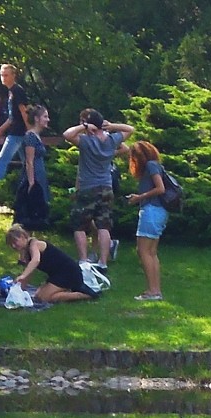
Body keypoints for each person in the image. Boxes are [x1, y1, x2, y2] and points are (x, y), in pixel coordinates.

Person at [62, 109, 134, 273]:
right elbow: (130, 130)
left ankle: (83, 261)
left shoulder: (87, 141)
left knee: (79, 226)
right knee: (104, 226)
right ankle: (103, 262)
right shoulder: (111, 140)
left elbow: (67, 134)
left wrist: (85, 126)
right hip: (106, 187)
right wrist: (111, 126)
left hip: (87, 187)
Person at [5, 224, 99, 303]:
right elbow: (30, 270)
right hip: (57, 275)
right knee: (38, 295)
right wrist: (21, 289)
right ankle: (66, 290)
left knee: (45, 298)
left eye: (15, 242)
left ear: (22, 237)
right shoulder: (25, 252)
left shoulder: (35, 244)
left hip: (69, 272)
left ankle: (84, 295)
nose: (13, 246)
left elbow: (36, 260)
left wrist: (23, 275)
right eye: (11, 244)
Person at [127, 141, 168, 301]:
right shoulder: (155, 165)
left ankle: (153, 290)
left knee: (143, 251)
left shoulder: (151, 166)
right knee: (151, 252)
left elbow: (160, 188)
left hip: (151, 210)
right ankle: (155, 289)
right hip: (157, 211)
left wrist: (139, 197)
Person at [13, 105, 51, 230]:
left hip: (39, 174)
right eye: (45, 116)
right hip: (32, 176)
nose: (48, 119)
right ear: (36, 118)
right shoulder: (30, 136)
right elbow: (29, 161)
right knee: (29, 210)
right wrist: (31, 183)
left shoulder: (37, 136)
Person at [0, 64, 30, 180]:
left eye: (6, 75)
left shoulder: (17, 90)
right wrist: (0, 130)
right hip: (16, 130)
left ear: (14, 75)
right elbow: (11, 117)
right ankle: (28, 186)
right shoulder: (10, 92)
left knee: (1, 160)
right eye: (1, 75)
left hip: (18, 132)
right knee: (27, 162)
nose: (3, 78)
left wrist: (30, 130)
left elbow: (24, 111)